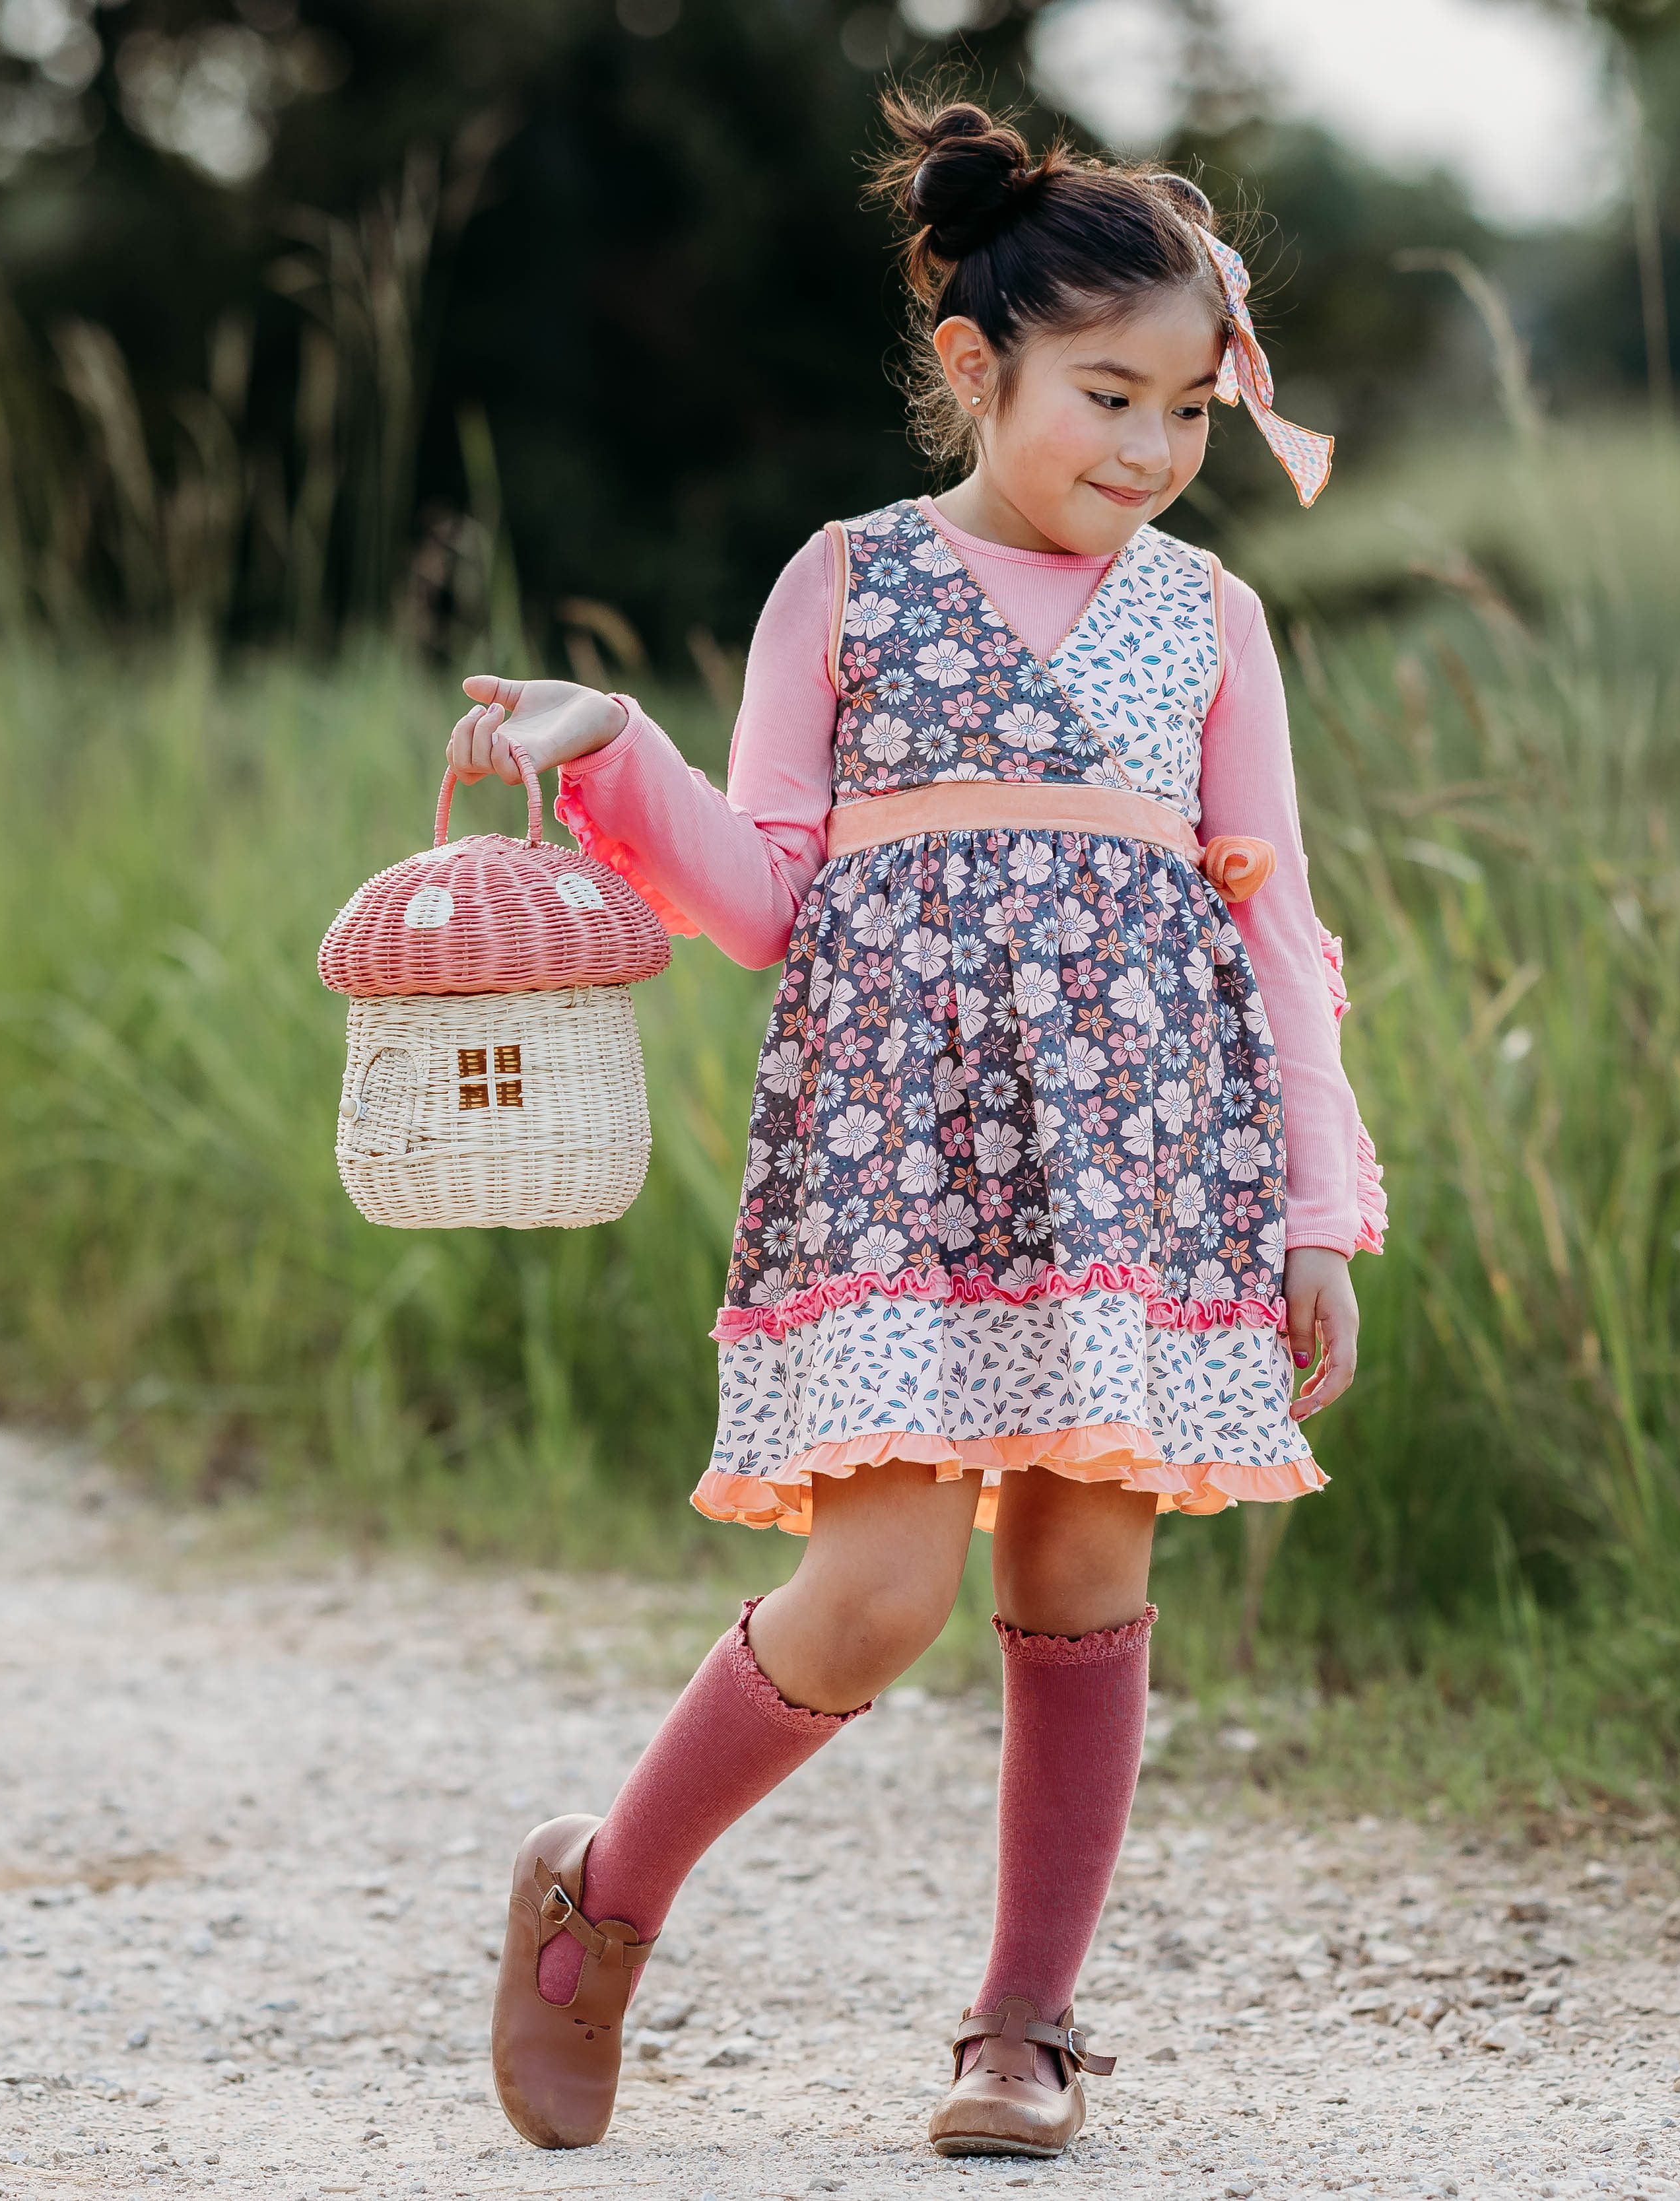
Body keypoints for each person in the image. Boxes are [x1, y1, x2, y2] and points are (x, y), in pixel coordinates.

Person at [454, 92, 1384, 2164]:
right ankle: (599, 1909)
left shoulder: (1211, 621)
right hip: (887, 1148)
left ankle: (1026, 2027)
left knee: (1080, 1557)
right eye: (1103, 398)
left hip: (1152, 1156)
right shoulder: (851, 582)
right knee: (872, 1592)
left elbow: (1282, 925)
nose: (1143, 455)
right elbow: (767, 899)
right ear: (979, 369)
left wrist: (1318, 1203)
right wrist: (611, 754)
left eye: (1185, 414)